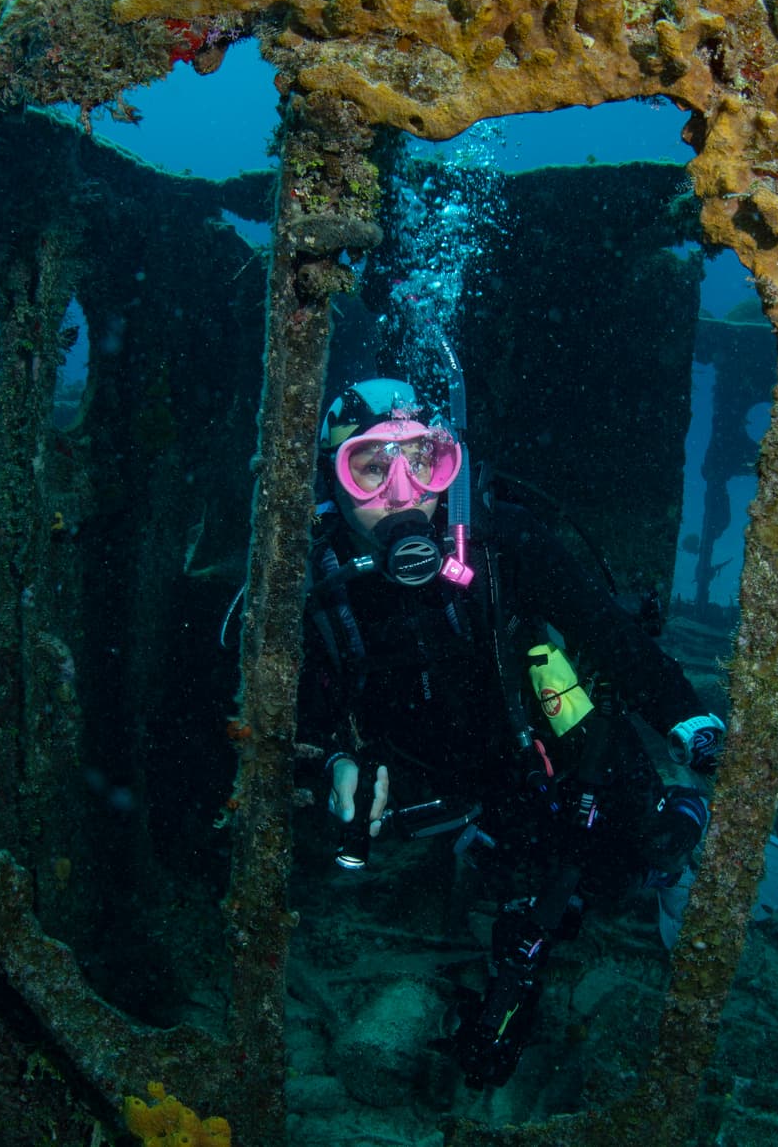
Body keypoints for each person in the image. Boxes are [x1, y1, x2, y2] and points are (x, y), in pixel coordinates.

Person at [299, 375, 728, 1089]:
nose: (403, 494)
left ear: (450, 466)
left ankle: (682, 812)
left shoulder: (503, 543)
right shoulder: (314, 581)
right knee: (516, 880)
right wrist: (336, 760)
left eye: (424, 461)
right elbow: (300, 698)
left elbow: (610, 636)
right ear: (332, 479)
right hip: (448, 778)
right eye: (371, 467)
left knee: (635, 859)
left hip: (551, 744)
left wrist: (687, 717)